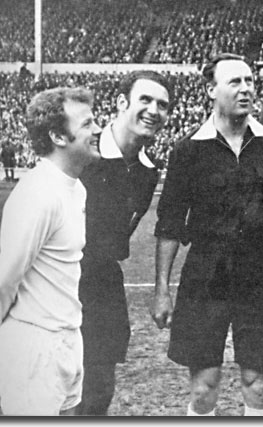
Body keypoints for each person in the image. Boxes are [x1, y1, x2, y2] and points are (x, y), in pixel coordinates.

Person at [152, 53, 263, 417]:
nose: (246, 89)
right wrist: (161, 289)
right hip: (205, 274)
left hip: (261, 273)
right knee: (204, 384)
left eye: (250, 81)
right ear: (211, 90)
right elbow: (170, 225)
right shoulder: (188, 149)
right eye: (235, 82)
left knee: (258, 383)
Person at [0, 87, 102, 415]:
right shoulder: (37, 194)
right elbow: (5, 277)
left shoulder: (75, 189)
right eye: (87, 124)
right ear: (58, 136)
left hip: (67, 338)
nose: (97, 130)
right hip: (34, 347)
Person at [76, 70, 172, 415]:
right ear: (121, 103)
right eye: (144, 99)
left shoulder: (148, 172)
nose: (153, 110)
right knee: (57, 388)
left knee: (99, 390)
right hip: (59, 281)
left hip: (102, 284)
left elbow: (119, 240)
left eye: (162, 105)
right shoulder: (82, 150)